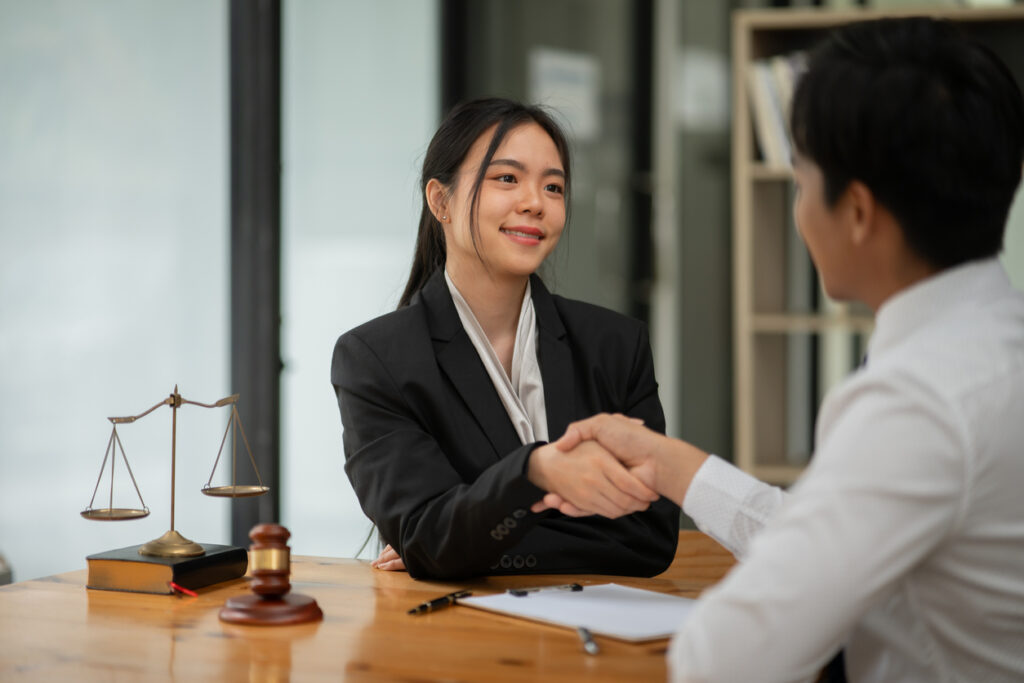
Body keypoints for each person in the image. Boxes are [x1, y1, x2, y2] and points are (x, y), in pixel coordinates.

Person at [534, 17, 1024, 682]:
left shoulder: (918, 399)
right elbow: (842, 535)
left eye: (799, 180)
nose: (796, 211)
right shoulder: (991, 343)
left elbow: (726, 656)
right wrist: (670, 463)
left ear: (856, 211)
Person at [330, 98, 678, 580]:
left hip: (602, 638)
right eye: (507, 178)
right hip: (459, 641)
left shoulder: (616, 345)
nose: (536, 202)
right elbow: (426, 533)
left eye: (553, 186)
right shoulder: (375, 359)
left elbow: (651, 539)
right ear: (441, 201)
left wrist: (467, 541)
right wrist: (536, 473)